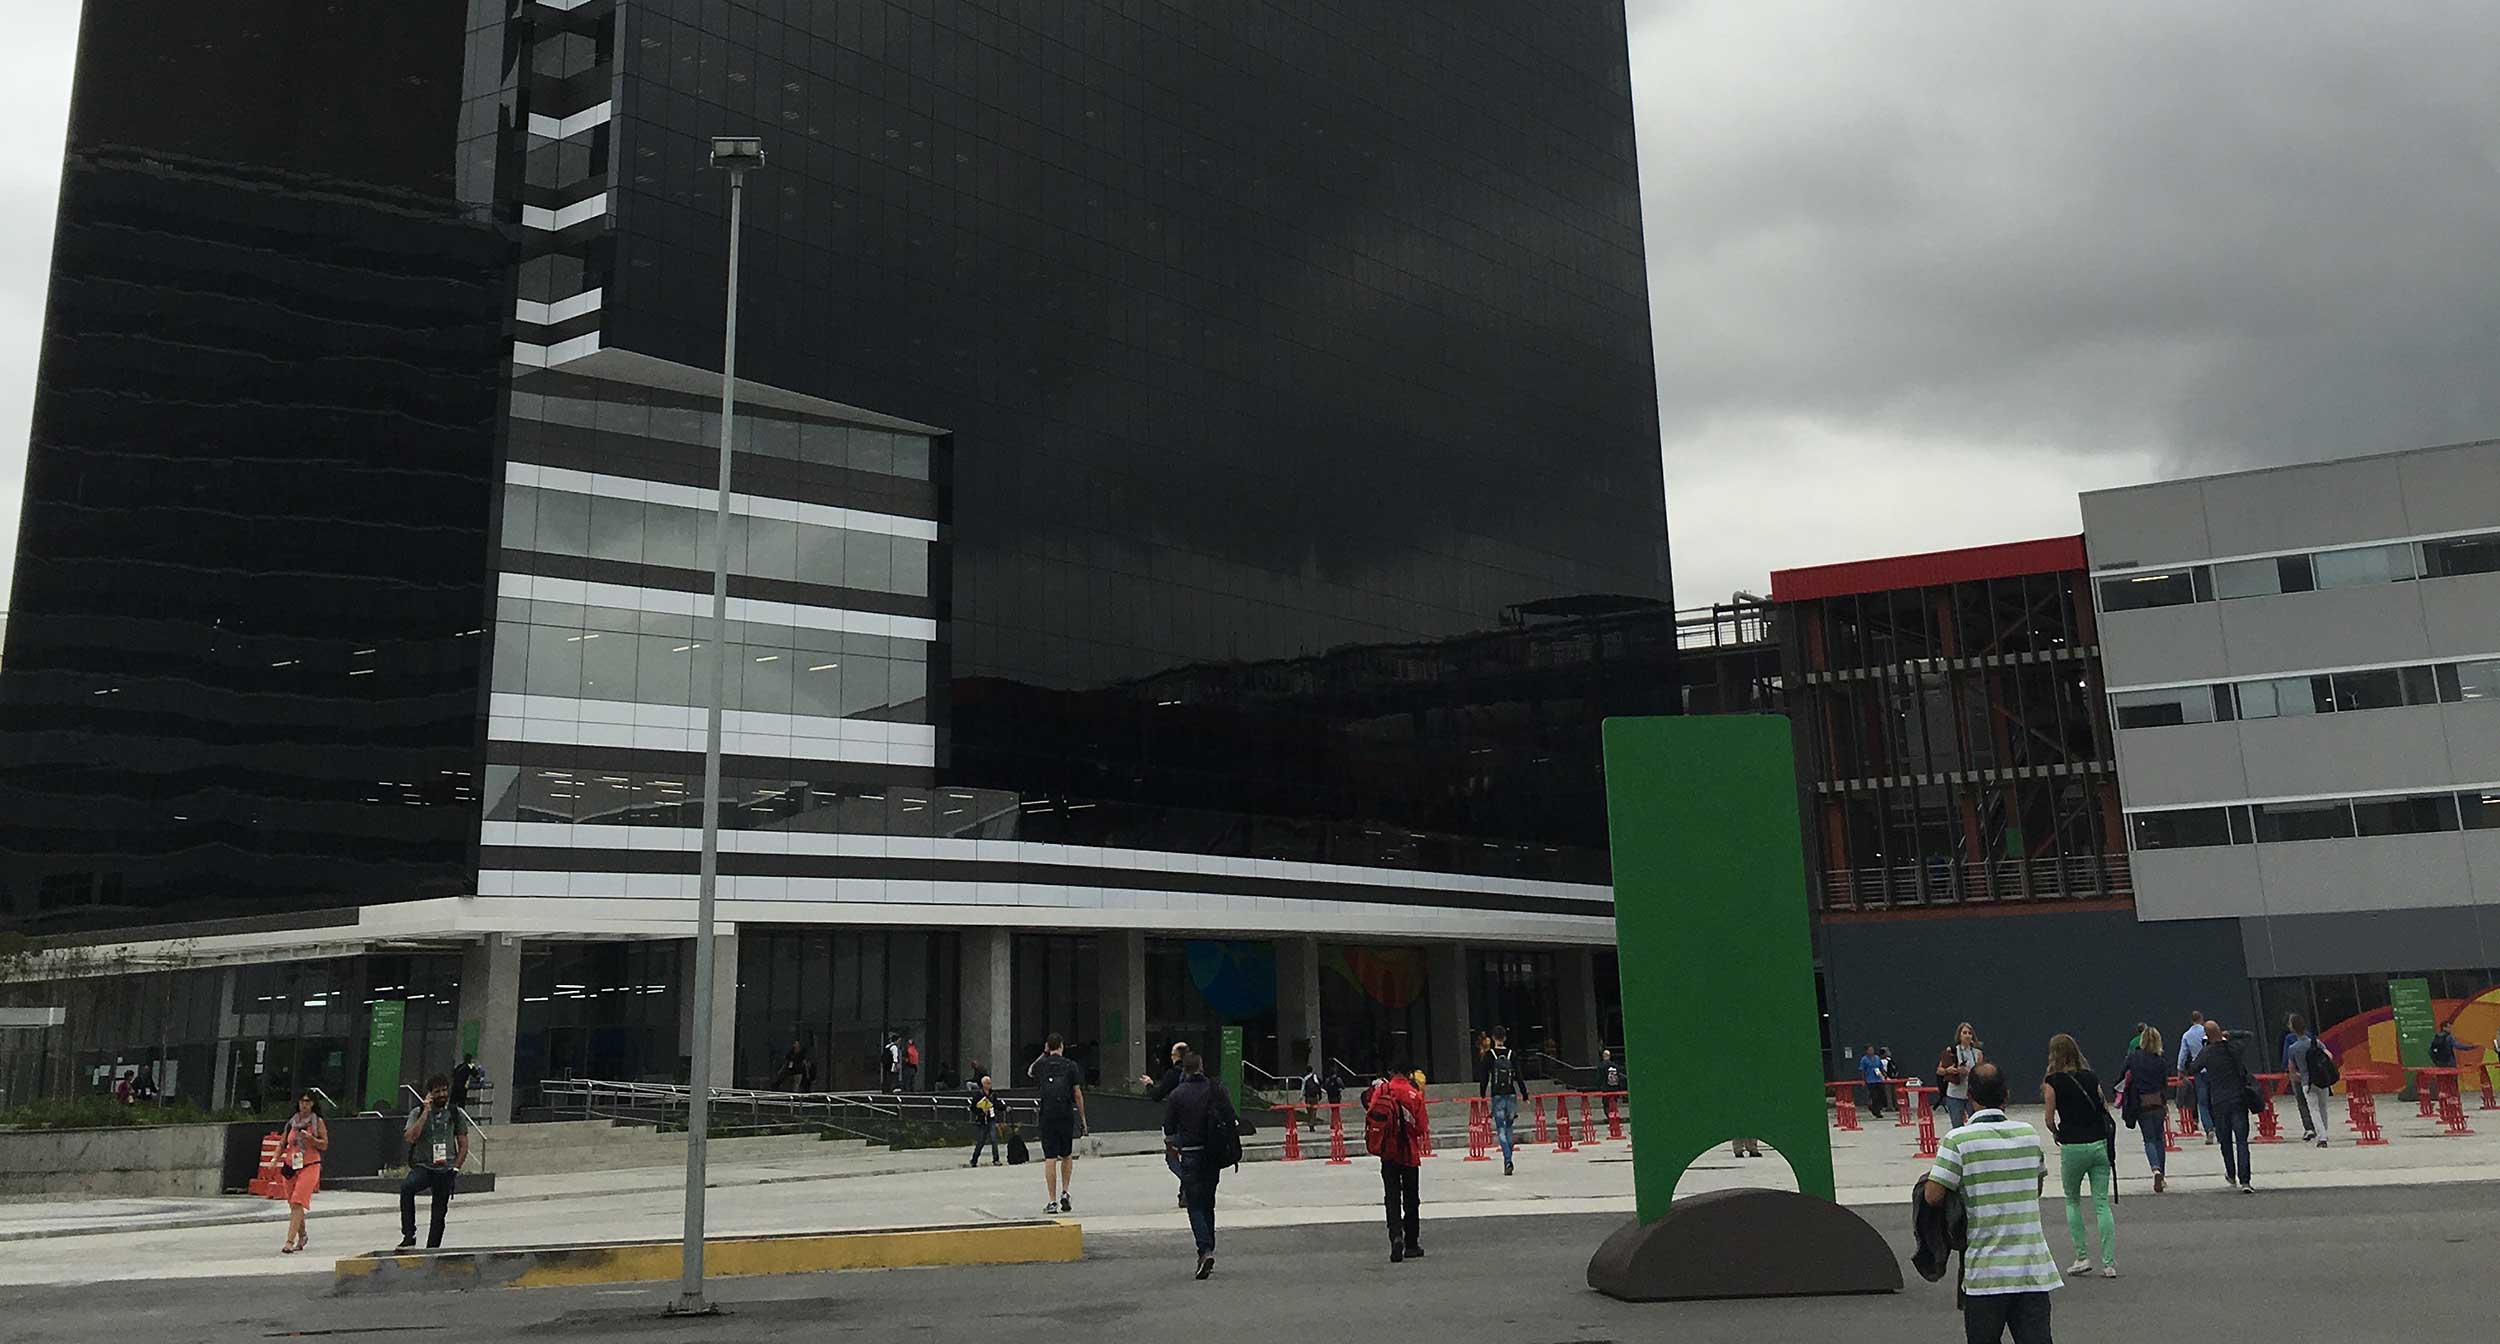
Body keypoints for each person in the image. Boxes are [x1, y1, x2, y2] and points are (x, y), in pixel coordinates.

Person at [1922, 1063, 2062, 1342]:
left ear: (1970, 1096)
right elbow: (2034, 1189)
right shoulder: (2028, 1135)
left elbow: (1933, 1195)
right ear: (2006, 1095)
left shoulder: (1958, 1140)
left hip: (1985, 1272)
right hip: (2031, 1269)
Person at [2041, 1034, 2116, 1278]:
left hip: (2072, 1145)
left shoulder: (2052, 1081)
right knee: (2101, 1203)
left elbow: (2049, 1118)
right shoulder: (2091, 1076)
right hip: (2098, 1143)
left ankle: (2082, 1256)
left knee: (2072, 1200)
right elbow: (2104, 1106)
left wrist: (2056, 1132)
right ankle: (2109, 1262)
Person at [1162, 1050, 1240, 1280]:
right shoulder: (1216, 1090)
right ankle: (1210, 1248)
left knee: (1194, 1205)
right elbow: (1231, 1117)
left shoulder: (1177, 1095)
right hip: (1214, 1154)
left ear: (1184, 1069)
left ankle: (1204, 1250)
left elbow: (1169, 1129)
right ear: (1201, 1066)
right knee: (1208, 1203)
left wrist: (1174, 1144)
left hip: (1191, 1154)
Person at [397, 1073, 470, 1249]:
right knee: (407, 1188)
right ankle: (409, 1235)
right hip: (424, 1166)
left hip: (445, 1168)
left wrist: (456, 1168)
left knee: (439, 1213)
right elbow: (410, 1138)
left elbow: (463, 1144)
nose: (442, 1095)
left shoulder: (455, 1113)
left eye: (444, 1090)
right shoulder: (418, 1113)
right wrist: (426, 1112)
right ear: (429, 1094)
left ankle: (433, 1249)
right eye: (437, 1091)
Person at [2187, 1018, 2258, 1193]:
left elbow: (2193, 1068)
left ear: (2207, 1036)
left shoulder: (2207, 1053)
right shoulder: (2234, 1048)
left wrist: (2204, 1048)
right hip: (2238, 1098)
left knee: (2225, 1140)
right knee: (2242, 1141)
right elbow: (2248, 1036)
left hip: (2219, 1101)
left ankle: (2231, 1173)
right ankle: (2245, 1180)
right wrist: (2230, 1034)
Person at [1369, 1056, 1428, 1263]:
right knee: (1411, 1198)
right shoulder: (1415, 1094)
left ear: (1391, 1072)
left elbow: (1372, 1114)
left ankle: (1395, 1236)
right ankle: (1411, 1242)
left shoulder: (1383, 1091)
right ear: (1409, 1073)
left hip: (1388, 1152)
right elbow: (1421, 1127)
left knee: (1391, 1196)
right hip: (1409, 1153)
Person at [1028, 1032, 1087, 1214]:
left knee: (1050, 1158)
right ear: (1061, 1046)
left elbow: (1030, 1071)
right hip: (1065, 1114)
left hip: (1047, 1115)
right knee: (1067, 1155)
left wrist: (1044, 1054)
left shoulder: (1042, 1065)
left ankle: (1052, 1201)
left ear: (1048, 1046)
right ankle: (1065, 1192)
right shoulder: (1071, 1066)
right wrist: (1083, 1119)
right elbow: (1077, 1093)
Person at [2116, 1024, 2171, 1193]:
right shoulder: (2160, 1060)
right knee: (2159, 1138)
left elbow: (2121, 1078)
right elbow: (2164, 1082)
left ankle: (2155, 1169)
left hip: (2141, 1103)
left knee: (2149, 1139)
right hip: (2158, 1102)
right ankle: (2162, 1173)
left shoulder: (2133, 1058)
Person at [278, 1090, 329, 1255]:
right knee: (293, 1204)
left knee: (298, 1201)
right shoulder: (292, 1122)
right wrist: (274, 1159)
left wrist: (312, 1140)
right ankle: (302, 1234)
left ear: (313, 1103)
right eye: (301, 1101)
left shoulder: (317, 1122)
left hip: (310, 1164)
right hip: (291, 1166)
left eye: (307, 1101)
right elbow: (283, 1143)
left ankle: (289, 1242)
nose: (304, 1104)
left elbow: (324, 1144)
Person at [1482, 1027, 1529, 1175]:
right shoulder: (1511, 1054)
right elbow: (1519, 1076)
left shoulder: (1490, 1055)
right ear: (1505, 1038)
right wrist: (1525, 1094)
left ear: (1493, 1038)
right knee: (1509, 1127)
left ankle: (1507, 1159)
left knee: (1500, 1128)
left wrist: (1482, 1093)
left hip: (1497, 1096)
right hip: (1511, 1095)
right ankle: (1509, 1156)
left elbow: (1484, 1076)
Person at [2283, 1015, 2333, 1148]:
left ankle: (2321, 1136)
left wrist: (2297, 1076)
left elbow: (2291, 1069)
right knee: (2323, 1108)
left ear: (2293, 1028)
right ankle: (2324, 1133)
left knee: (2314, 1109)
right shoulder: (2315, 1042)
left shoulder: (2293, 1048)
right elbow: (2329, 1055)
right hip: (2321, 1079)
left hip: (2307, 1082)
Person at [1938, 1023, 1985, 1128]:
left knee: (1975, 1125)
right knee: (1957, 1125)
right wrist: (1948, 1070)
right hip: (1955, 1094)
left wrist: (1969, 1072)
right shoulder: (1952, 1051)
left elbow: (1981, 1073)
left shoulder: (1978, 1053)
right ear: (1959, 1035)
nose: (1967, 1035)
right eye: (1964, 1033)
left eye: (1970, 1033)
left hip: (1971, 1095)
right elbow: (1939, 1070)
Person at [2177, 1011, 2212, 1141]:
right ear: (2201, 1019)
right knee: (2214, 1099)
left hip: (2198, 1070)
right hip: (2212, 1069)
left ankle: (2209, 1129)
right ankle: (2220, 1128)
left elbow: (2183, 1055)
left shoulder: (2187, 1035)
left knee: (2202, 1102)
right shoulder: (2208, 1031)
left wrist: (2180, 1070)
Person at [967, 1074, 1006, 1167]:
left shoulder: (993, 1094)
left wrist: (1005, 1107)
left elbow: (996, 1104)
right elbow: (973, 1107)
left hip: (991, 1119)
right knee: (981, 1141)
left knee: (994, 1139)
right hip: (982, 1120)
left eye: (990, 1083)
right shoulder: (978, 1095)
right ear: (983, 1084)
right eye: (988, 1083)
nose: (989, 1085)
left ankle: (996, 1159)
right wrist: (980, 1111)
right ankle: (974, 1160)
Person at [1859, 1043, 1892, 1118]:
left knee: (1881, 1095)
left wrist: (1884, 1074)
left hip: (1878, 1079)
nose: (1871, 1051)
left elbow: (1880, 1067)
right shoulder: (1864, 1059)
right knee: (1874, 1096)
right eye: (1870, 1050)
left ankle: (1878, 1108)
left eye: (1872, 1049)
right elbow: (1862, 1070)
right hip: (1870, 1080)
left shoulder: (1877, 1058)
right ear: (1866, 1051)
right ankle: (1876, 1111)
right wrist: (1863, 1080)